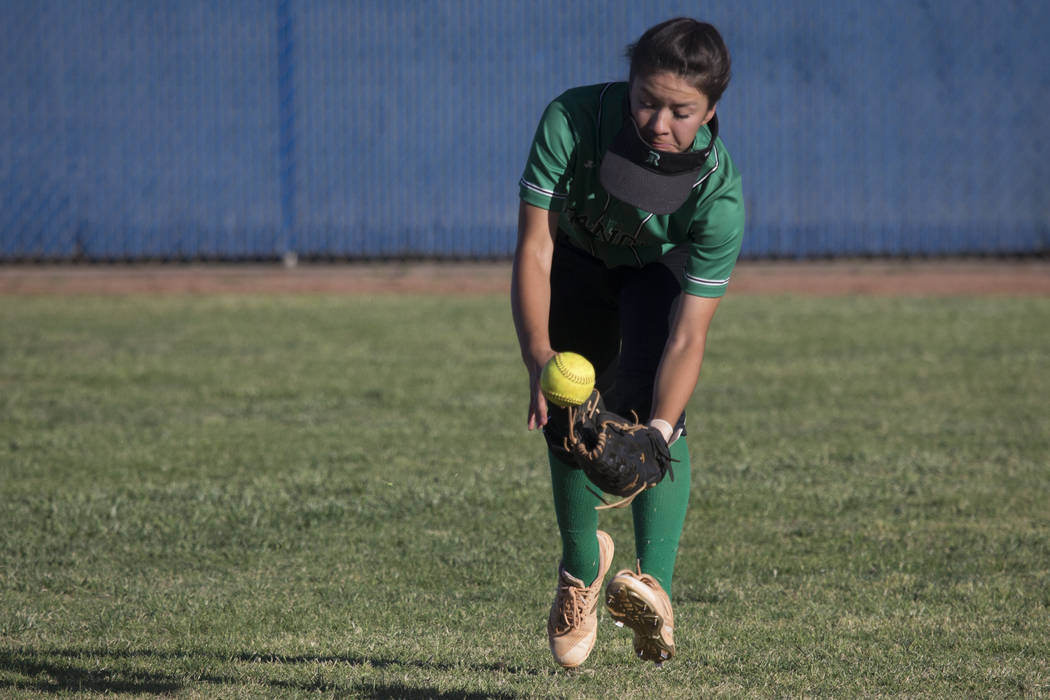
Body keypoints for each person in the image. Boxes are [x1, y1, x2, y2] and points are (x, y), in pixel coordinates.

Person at [510, 17, 745, 668]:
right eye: (647, 100)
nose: (659, 123)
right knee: (572, 408)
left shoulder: (717, 197)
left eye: (681, 111)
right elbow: (534, 248)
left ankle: (656, 589)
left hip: (656, 266)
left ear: (711, 110)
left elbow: (688, 335)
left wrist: (660, 432)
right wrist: (537, 355)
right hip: (578, 258)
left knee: (647, 405)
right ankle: (582, 568)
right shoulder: (573, 119)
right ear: (629, 82)